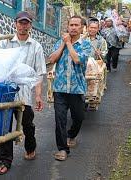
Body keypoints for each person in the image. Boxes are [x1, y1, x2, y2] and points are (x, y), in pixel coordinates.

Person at [0, 11, 46, 175]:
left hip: (24, 96)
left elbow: (39, 73)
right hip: (6, 93)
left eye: (27, 23)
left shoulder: (36, 46)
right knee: (5, 128)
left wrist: (38, 95)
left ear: (30, 25)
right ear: (15, 24)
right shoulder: (5, 43)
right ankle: (5, 161)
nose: (23, 26)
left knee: (27, 125)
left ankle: (30, 147)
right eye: (21, 23)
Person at [49, 15, 91, 161]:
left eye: (76, 25)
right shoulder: (60, 42)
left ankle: (71, 135)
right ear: (67, 27)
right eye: (71, 25)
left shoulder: (85, 44)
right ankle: (62, 149)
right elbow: (52, 59)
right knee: (60, 119)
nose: (73, 27)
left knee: (78, 117)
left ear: (81, 28)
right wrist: (63, 44)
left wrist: (68, 44)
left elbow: (78, 59)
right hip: (59, 88)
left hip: (77, 89)